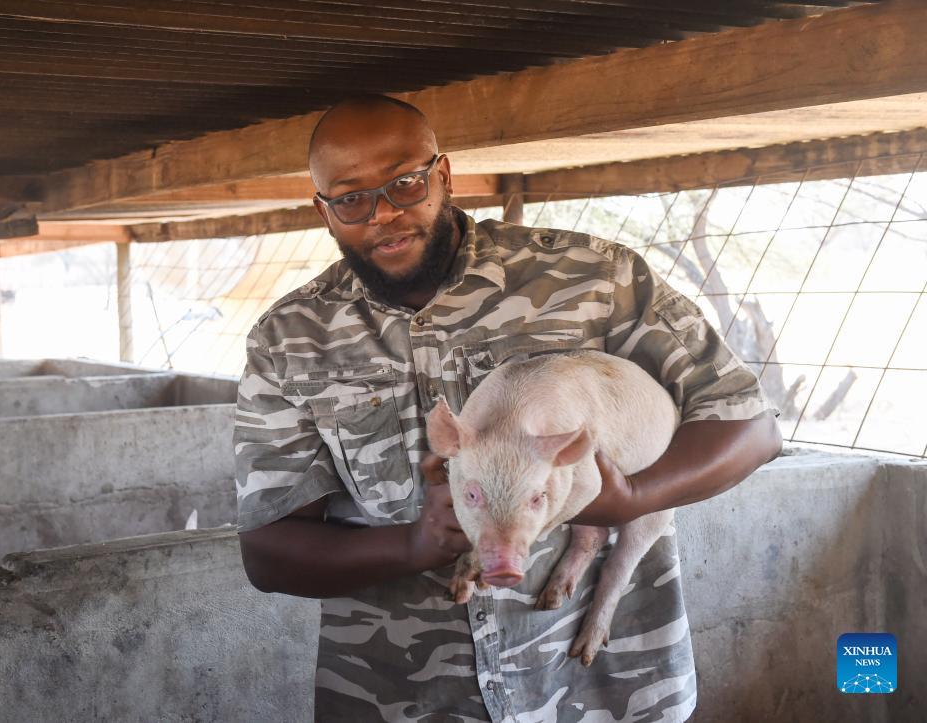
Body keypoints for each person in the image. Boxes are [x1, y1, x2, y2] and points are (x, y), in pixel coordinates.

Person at [235, 95, 781, 721]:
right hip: (404, 695)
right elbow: (269, 550)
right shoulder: (288, 340)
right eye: (351, 198)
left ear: (443, 175)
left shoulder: (593, 277)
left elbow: (750, 426)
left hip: (607, 690)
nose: (383, 213)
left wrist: (625, 496)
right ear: (324, 210)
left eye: (406, 183)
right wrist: (414, 545)